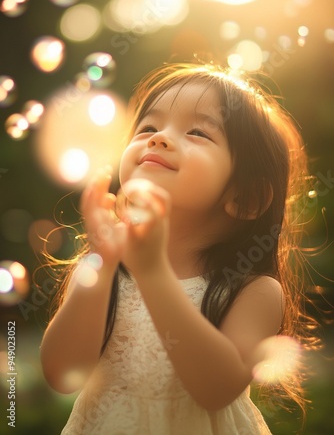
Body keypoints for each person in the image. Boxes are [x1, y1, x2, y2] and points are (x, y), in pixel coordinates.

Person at [40, 62, 319, 434]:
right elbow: (62, 374)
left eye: (198, 133)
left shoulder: (252, 291)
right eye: (149, 127)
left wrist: (152, 272)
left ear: (246, 198)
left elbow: (215, 389)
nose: (159, 139)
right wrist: (103, 262)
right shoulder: (98, 269)